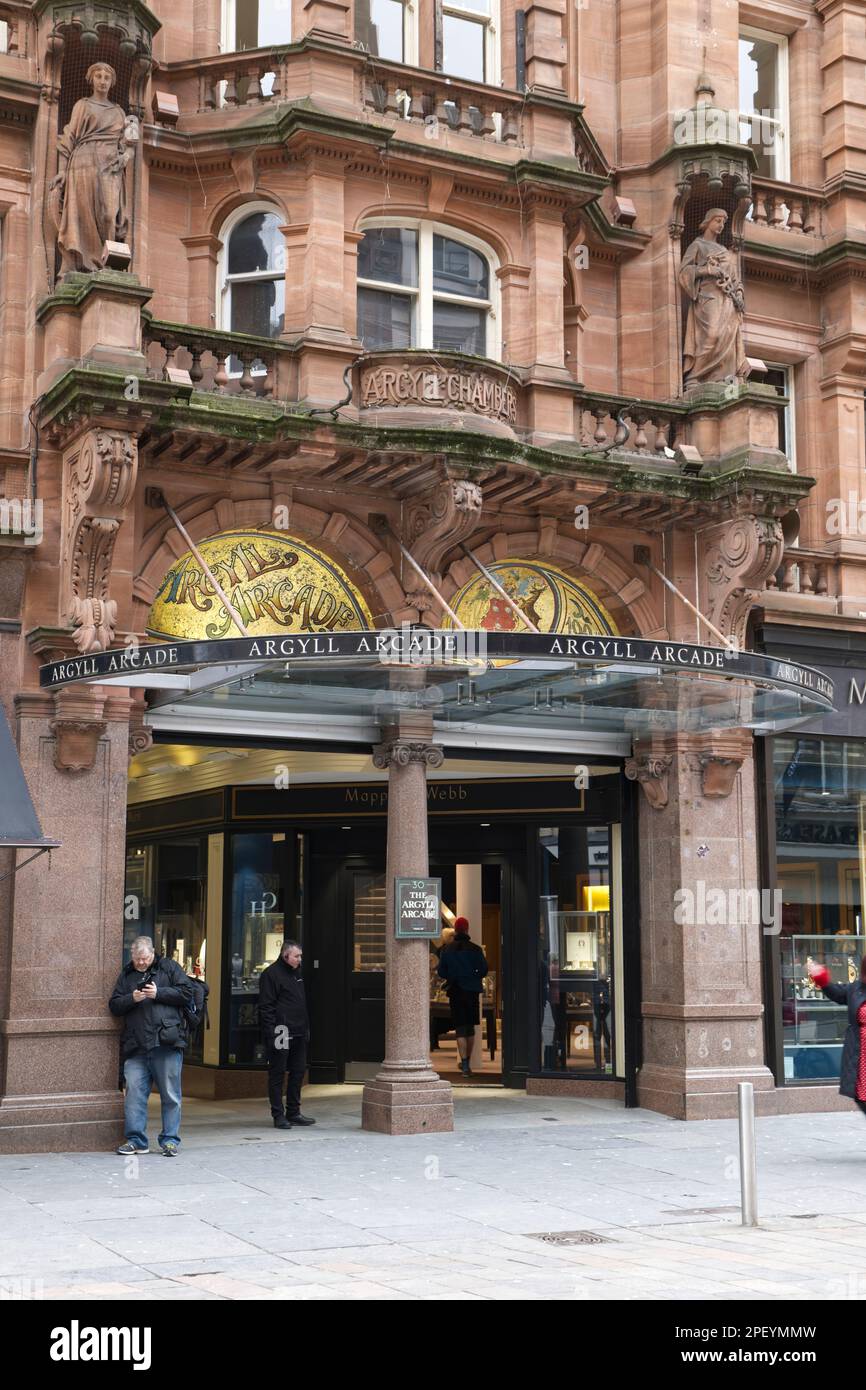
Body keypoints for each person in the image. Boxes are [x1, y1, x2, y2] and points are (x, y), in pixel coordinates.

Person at [49, 62, 140, 274]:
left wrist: (126, 155)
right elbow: (68, 138)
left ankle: (106, 262)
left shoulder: (119, 112)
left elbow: (128, 145)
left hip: (110, 166)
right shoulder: (82, 105)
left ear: (112, 82)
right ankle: (81, 265)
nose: (102, 81)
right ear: (91, 80)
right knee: (80, 215)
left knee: (109, 214)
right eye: (98, 76)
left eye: (106, 77)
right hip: (82, 163)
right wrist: (62, 170)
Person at [109, 935, 193, 1156]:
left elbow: (187, 992)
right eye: (137, 959)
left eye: (144, 959)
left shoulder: (169, 968)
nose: (141, 963)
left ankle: (170, 1141)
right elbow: (114, 1004)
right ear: (132, 956)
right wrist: (131, 999)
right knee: (134, 1095)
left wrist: (158, 993)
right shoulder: (127, 974)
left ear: (153, 953)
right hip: (136, 1045)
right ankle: (136, 1140)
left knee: (170, 1095)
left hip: (166, 1042)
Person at [678, 208, 748, 384]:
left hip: (728, 300)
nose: (721, 225)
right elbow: (684, 272)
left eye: (723, 223)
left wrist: (739, 294)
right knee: (712, 335)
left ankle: (722, 378)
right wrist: (707, 270)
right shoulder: (697, 245)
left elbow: (735, 280)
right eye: (717, 221)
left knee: (728, 337)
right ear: (708, 222)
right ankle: (695, 375)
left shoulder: (725, 251)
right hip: (708, 297)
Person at [258, 940, 316, 1129]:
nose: (300, 959)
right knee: (278, 1073)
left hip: (299, 1030)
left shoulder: (296, 973)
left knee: (298, 1071)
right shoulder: (271, 974)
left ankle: (294, 1112)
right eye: (296, 956)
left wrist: (306, 1028)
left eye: (300, 955)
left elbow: (301, 1003)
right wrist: (271, 1033)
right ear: (285, 956)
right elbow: (266, 1007)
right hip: (280, 1031)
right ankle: (278, 1115)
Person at [809, 955, 866, 1119]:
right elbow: (835, 993)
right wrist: (821, 977)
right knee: (862, 1098)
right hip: (860, 1054)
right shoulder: (856, 989)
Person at [437, 917, 488, 1077]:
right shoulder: (476, 949)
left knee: (460, 1028)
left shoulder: (447, 949)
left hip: (456, 991)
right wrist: (473, 976)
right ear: (467, 929)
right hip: (472, 991)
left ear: (456, 930)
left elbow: (441, 971)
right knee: (470, 1027)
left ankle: (464, 1064)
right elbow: (484, 970)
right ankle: (468, 1061)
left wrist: (453, 975)